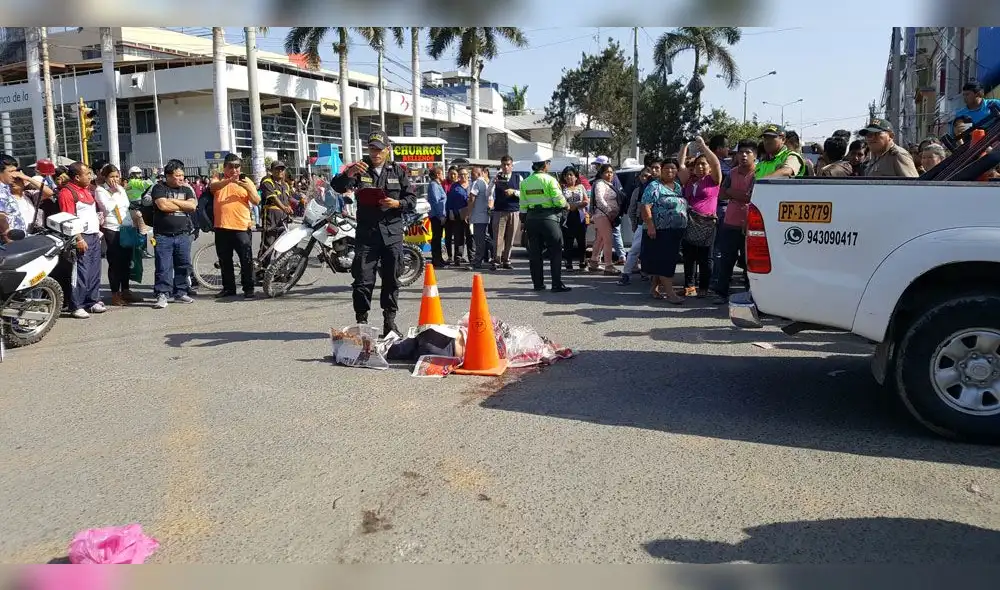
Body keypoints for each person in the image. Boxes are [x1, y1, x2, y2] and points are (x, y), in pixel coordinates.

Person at [331, 131, 417, 336]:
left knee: (391, 279)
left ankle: (390, 322)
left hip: (392, 233)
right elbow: (337, 187)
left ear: (387, 150)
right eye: (372, 149)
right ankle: (362, 323)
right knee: (362, 280)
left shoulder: (398, 171)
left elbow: (412, 200)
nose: (375, 153)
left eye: (379, 149)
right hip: (367, 234)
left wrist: (397, 203)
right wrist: (348, 174)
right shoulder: (359, 168)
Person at [57, 162, 107, 318]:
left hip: (93, 235)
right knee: (80, 272)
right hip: (81, 237)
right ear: (77, 177)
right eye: (87, 174)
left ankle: (92, 301)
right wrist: (78, 238)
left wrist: (97, 232)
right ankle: (76, 305)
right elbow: (69, 219)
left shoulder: (87, 190)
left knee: (94, 271)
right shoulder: (67, 192)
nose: (90, 176)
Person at [677, 137, 723, 298]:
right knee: (689, 256)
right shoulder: (689, 181)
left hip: (707, 223)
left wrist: (703, 147)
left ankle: (704, 287)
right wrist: (685, 146)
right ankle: (689, 286)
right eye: (698, 164)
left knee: (705, 257)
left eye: (704, 164)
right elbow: (681, 165)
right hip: (689, 222)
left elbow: (716, 163)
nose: (701, 167)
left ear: (709, 168)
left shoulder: (713, 181)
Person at [211, 153, 261, 299]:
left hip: (241, 227)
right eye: (231, 166)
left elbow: (257, 200)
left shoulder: (246, 180)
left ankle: (249, 288)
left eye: (237, 166)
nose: (234, 170)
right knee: (225, 260)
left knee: (246, 259)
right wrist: (229, 181)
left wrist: (248, 188)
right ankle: (229, 288)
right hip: (221, 226)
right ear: (224, 167)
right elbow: (213, 187)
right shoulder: (218, 178)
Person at [150, 159, 198, 309]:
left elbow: (192, 206)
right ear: (168, 176)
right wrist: (181, 205)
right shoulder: (158, 188)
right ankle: (162, 293)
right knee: (163, 266)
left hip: (183, 234)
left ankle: (181, 291)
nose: (181, 178)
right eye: (178, 175)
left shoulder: (186, 189)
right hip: (163, 235)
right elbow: (163, 206)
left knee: (183, 264)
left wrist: (173, 202)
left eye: (182, 175)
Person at [713, 140, 757, 304]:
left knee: (749, 262)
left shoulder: (759, 173)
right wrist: (740, 194)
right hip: (731, 221)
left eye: (748, 153)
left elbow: (752, 197)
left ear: (755, 156)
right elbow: (722, 194)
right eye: (741, 153)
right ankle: (721, 293)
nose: (743, 156)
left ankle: (751, 294)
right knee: (726, 259)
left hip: (751, 223)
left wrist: (733, 193)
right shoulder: (731, 173)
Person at [520, 152, 570, 293]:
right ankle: (556, 284)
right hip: (549, 219)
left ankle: (538, 284)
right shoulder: (550, 180)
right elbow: (558, 200)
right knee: (555, 251)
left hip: (531, 219)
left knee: (535, 253)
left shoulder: (525, 182)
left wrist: (524, 219)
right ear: (545, 164)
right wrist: (566, 205)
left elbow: (523, 205)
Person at [639, 159, 686, 304]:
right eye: (666, 168)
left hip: (675, 230)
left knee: (664, 261)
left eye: (673, 168)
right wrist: (651, 226)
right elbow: (645, 206)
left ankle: (654, 288)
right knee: (665, 262)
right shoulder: (654, 186)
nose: (669, 171)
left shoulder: (677, 187)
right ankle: (670, 293)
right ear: (661, 170)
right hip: (660, 230)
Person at [96, 164, 143, 306]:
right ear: (105, 177)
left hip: (126, 227)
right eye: (111, 176)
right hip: (112, 228)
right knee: (115, 262)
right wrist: (114, 191)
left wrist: (118, 190)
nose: (115, 179)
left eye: (117, 176)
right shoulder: (101, 190)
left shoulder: (121, 188)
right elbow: (109, 207)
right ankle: (115, 293)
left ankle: (126, 290)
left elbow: (126, 203)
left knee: (126, 261)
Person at [617, 165, 655, 286]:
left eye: (648, 176)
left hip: (659, 224)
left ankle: (652, 276)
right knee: (635, 250)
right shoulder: (638, 191)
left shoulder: (658, 188)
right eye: (643, 176)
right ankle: (626, 274)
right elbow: (632, 209)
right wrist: (634, 224)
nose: (646, 178)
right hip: (642, 224)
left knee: (653, 252)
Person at [487, 155, 522, 270]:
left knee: (510, 237)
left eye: (508, 165)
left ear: (512, 166)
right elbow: (488, 193)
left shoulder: (518, 178)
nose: (506, 167)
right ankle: (496, 260)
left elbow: (525, 194)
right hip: (499, 211)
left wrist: (514, 192)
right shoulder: (496, 177)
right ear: (501, 165)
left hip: (514, 211)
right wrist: (493, 184)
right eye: (504, 165)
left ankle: (507, 260)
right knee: (498, 237)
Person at [258, 160, 295, 271]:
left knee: (284, 246)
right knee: (268, 245)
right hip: (270, 217)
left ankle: (280, 271)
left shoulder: (285, 185)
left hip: (283, 219)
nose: (280, 171)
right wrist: (284, 208)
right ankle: (261, 270)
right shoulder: (267, 181)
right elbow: (273, 198)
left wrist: (300, 201)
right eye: (277, 169)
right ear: (271, 171)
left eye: (282, 169)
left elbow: (288, 200)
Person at [589, 163, 620, 275]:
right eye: (607, 172)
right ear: (601, 173)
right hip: (602, 215)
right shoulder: (600, 184)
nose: (609, 174)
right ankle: (608, 266)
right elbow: (599, 199)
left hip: (605, 215)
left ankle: (593, 262)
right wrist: (609, 211)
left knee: (601, 239)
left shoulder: (607, 184)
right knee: (608, 240)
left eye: (611, 172)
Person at [559, 166, 590, 273]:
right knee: (568, 242)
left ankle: (583, 262)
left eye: (571, 175)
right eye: (566, 175)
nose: (569, 177)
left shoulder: (581, 187)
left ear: (576, 177)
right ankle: (568, 263)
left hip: (580, 217)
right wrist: (568, 206)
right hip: (567, 218)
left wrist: (576, 205)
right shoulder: (562, 189)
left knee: (582, 241)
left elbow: (586, 201)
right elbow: (560, 202)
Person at [445, 167, 473, 264]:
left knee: (470, 237)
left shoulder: (472, 185)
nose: (462, 176)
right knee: (458, 237)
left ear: (468, 175)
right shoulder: (454, 186)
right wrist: (450, 212)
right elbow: (449, 201)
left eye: (464, 174)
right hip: (458, 215)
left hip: (470, 215)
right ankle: (458, 257)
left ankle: (471, 257)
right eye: (460, 174)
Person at [466, 165, 492, 270]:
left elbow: (472, 198)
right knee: (484, 238)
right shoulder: (485, 183)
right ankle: (497, 255)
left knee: (479, 240)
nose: (471, 176)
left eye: (473, 174)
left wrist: (468, 213)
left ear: (479, 174)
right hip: (483, 215)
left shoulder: (477, 183)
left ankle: (477, 262)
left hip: (478, 216)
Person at [426, 166, 448, 267]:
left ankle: (439, 258)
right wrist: (441, 216)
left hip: (439, 215)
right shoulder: (434, 185)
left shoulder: (438, 185)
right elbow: (436, 202)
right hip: (437, 216)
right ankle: (436, 259)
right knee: (436, 238)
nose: (443, 175)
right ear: (438, 175)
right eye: (442, 173)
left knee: (438, 238)